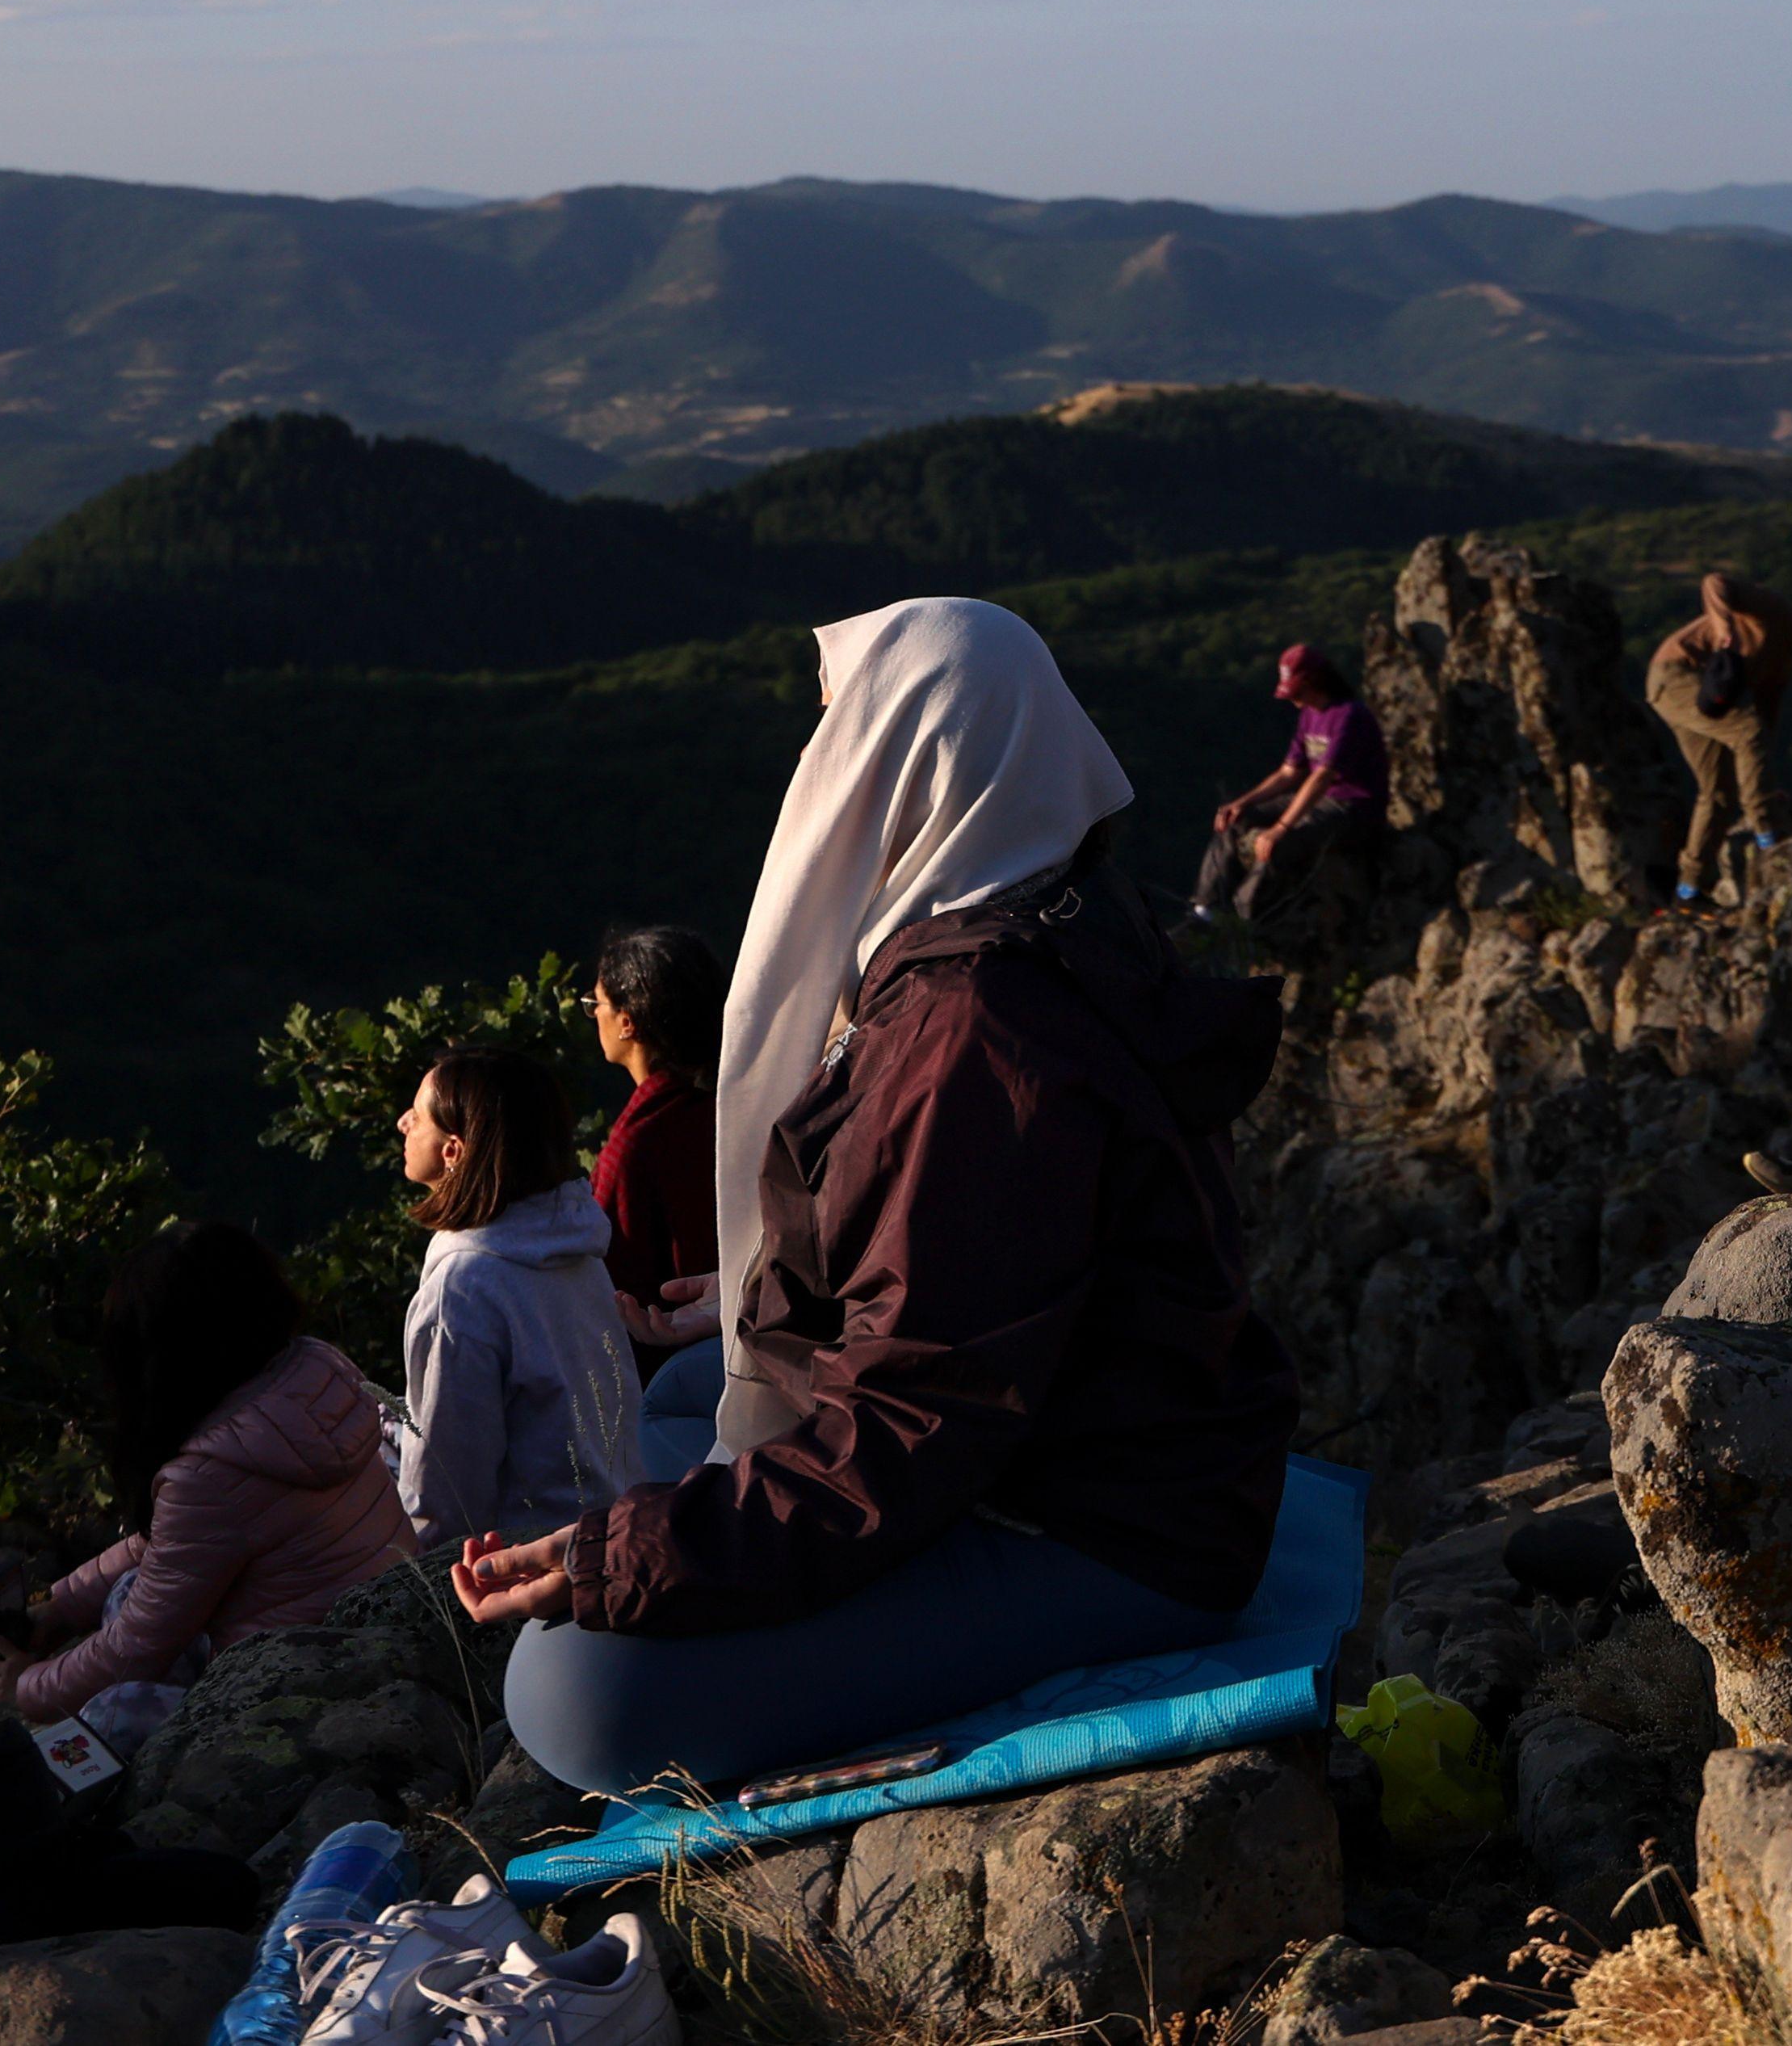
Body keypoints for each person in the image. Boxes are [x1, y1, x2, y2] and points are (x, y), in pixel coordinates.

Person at [460, 599, 1300, 1803]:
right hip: (1110, 1437)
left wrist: (624, 1555)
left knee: (571, 1688)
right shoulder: (1054, 907)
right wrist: (771, 1295)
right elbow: (974, 1262)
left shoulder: (976, 1027)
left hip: (1095, 1519)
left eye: (837, 725)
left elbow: (918, 1420)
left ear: (904, 758)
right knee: (697, 1387)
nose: (819, 758)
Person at [0, 1221, 413, 1731]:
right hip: (382, 1635)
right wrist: (60, 1607)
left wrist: (26, 1687)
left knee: (113, 1713)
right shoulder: (316, 1373)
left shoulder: (211, 1476)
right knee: (130, 1587)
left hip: (302, 1688)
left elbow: (134, 1651)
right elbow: (167, 1546)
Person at [396, 1048, 646, 1552]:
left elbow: (445, 1494)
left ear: (452, 1151)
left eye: (418, 1116)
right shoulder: (575, 1250)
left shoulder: (462, 1293)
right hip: (619, 1527)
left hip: (528, 1563)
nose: (403, 1122)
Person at [1646, 570, 1792, 901]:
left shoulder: (1783, 660)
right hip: (1677, 674)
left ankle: (1688, 889)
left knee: (1718, 793)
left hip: (1693, 693)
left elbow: (1766, 720)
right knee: (1747, 732)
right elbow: (1715, 583)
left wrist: (1763, 778)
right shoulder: (1776, 612)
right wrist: (1725, 629)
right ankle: (1767, 833)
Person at [587, 922, 724, 1354]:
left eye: (596, 1004)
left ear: (627, 1022)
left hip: (669, 1348)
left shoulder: (640, 1138)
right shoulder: (728, 1106)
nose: (594, 1015)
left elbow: (614, 1270)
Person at [1194, 643, 1387, 924]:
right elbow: (1289, 773)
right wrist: (1242, 803)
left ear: (1313, 682)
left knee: (1278, 845)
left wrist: (1280, 828)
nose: (1293, 699)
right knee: (1236, 821)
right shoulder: (1309, 715)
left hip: (1354, 806)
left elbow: (1322, 777)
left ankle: (1246, 917)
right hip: (1323, 800)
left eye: (1296, 691)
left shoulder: (1349, 715)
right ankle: (1205, 909)